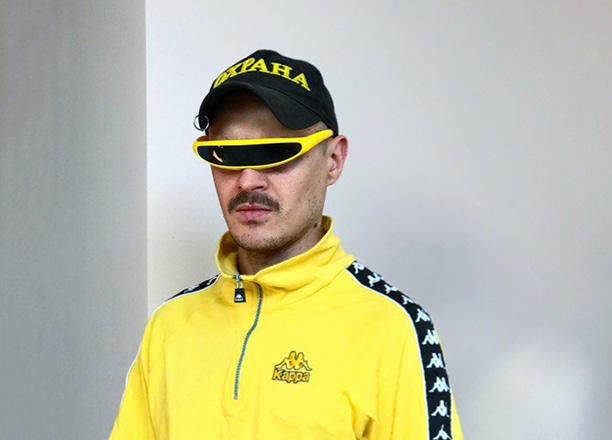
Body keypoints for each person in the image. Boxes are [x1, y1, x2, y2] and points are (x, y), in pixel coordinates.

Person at [110, 49, 463, 440]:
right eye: (226, 154)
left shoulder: (393, 329)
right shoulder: (169, 326)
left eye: (276, 152)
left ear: (334, 160)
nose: (247, 180)